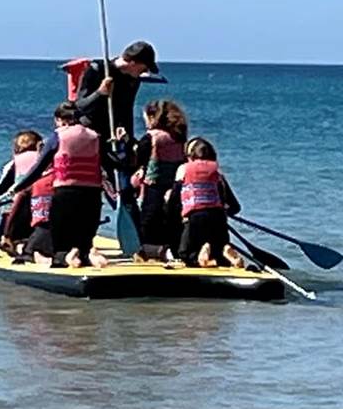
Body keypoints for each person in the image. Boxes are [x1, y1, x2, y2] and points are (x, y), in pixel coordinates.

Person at [66, 40, 161, 228]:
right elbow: (80, 107)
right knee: (90, 188)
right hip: (91, 136)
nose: (143, 73)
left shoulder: (133, 80)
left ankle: (136, 234)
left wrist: (128, 137)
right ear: (133, 62)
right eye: (143, 68)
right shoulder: (98, 69)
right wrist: (100, 93)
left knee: (124, 188)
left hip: (116, 139)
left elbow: (126, 110)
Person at [10, 101, 108, 268]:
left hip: (66, 193)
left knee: (60, 246)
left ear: (59, 120)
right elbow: (110, 163)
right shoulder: (95, 136)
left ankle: (65, 258)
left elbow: (38, 168)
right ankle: (85, 254)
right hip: (92, 195)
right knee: (84, 239)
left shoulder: (58, 136)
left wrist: (18, 187)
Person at [166, 137, 245, 268]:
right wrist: (224, 212)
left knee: (184, 253)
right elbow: (235, 207)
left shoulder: (183, 169)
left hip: (195, 219)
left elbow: (174, 201)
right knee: (218, 253)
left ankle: (200, 256)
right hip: (218, 219)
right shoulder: (217, 174)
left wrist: (174, 216)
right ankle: (225, 252)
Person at [129, 99, 187, 259]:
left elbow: (137, 159)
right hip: (174, 189)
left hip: (153, 188)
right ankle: (170, 249)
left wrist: (126, 144)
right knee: (170, 222)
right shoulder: (178, 137)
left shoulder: (152, 137)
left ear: (153, 117)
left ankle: (153, 251)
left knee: (147, 223)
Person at [0, 130, 42, 245]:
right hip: (40, 218)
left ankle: (6, 240)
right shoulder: (48, 161)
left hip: (16, 220)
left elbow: (1, 189)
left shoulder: (14, 164)